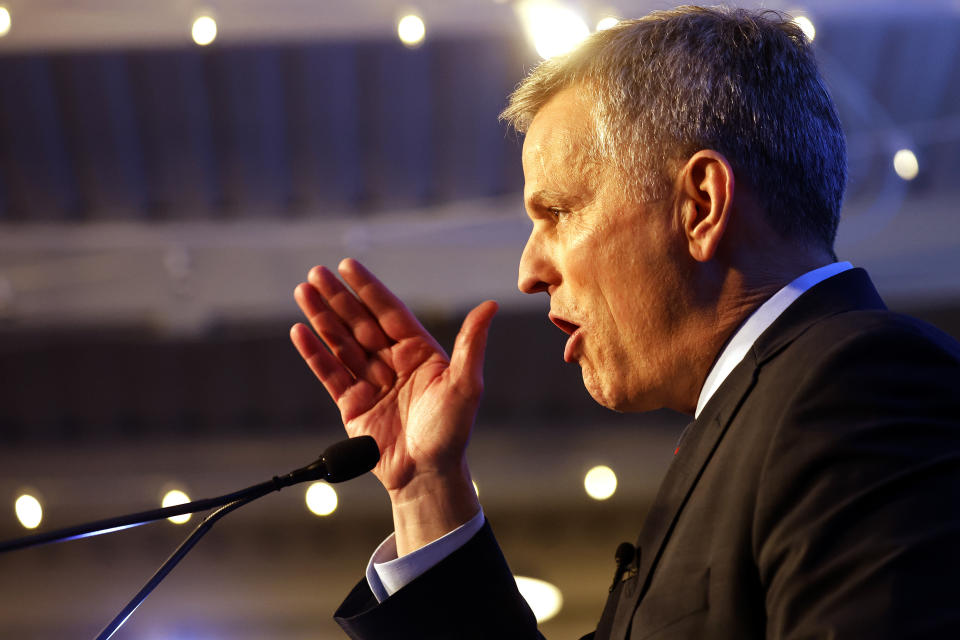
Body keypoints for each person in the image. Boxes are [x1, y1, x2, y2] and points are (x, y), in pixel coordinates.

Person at [289, 6, 960, 639]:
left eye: (557, 212)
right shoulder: (767, 417)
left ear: (700, 204)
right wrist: (427, 487)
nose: (528, 270)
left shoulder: (862, 387)